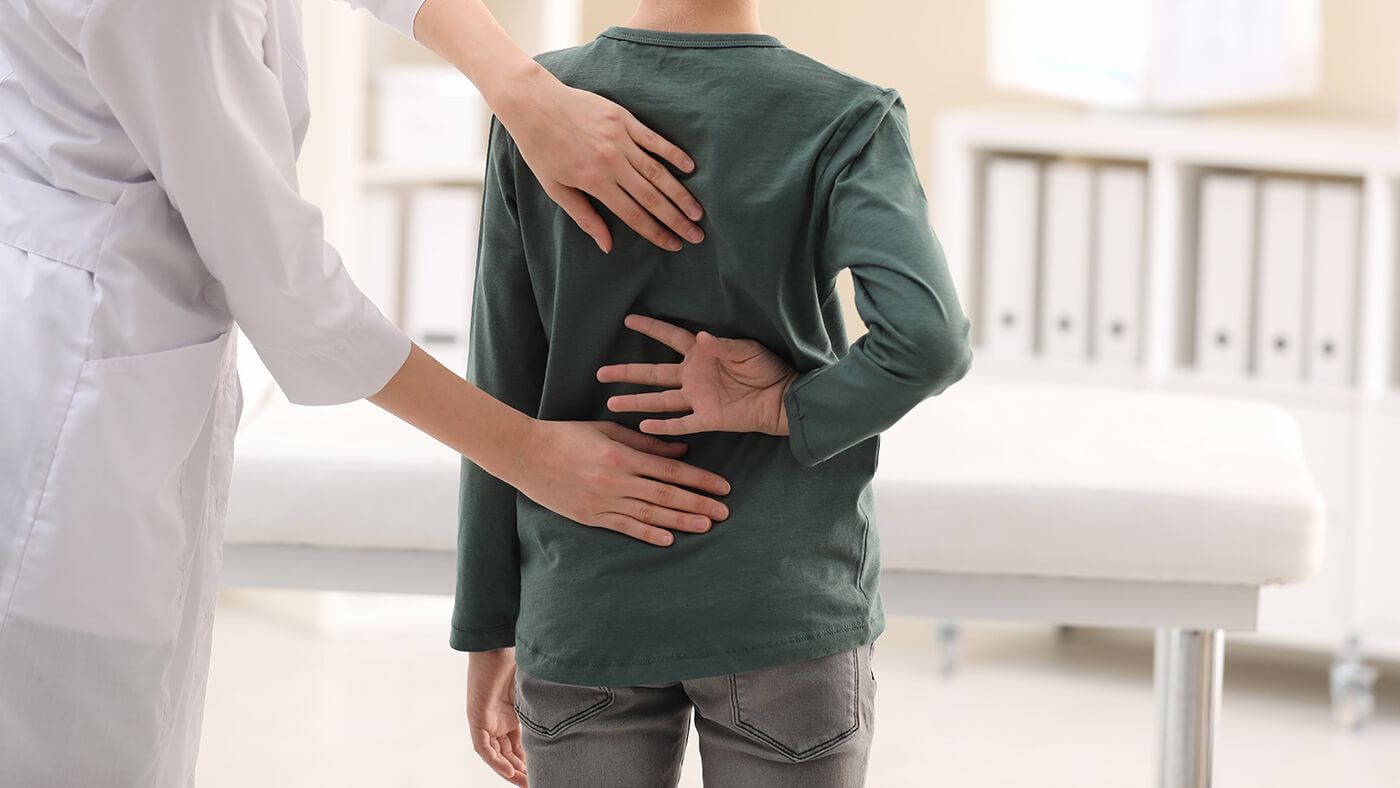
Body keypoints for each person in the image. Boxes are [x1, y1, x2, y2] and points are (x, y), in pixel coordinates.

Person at [0, 0, 764, 784]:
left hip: (98, 330)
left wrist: (519, 86)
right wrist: (525, 455)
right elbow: (291, 295)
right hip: (66, 392)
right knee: (75, 738)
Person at [451, 0, 974, 784]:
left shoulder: (537, 105)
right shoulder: (845, 116)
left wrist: (488, 627)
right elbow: (928, 342)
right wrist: (784, 406)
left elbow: (501, 380)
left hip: (586, 604)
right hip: (782, 601)